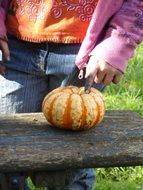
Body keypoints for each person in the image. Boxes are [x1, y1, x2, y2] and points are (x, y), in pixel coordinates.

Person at [0, 0, 143, 190]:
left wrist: (117, 42)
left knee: (72, 163)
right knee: (8, 152)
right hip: (14, 46)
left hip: (87, 51)